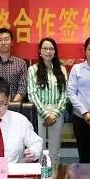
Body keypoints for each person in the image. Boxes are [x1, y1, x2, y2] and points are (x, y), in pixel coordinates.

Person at [26, 38, 68, 167]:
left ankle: (55, 177)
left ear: (55, 52)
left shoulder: (62, 69)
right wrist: (45, 115)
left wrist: (54, 114)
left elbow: (65, 94)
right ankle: (40, 177)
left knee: (55, 151)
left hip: (57, 114)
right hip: (39, 113)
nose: (48, 51)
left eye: (51, 49)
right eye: (45, 48)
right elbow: (32, 94)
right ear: (40, 51)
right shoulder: (32, 70)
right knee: (39, 150)